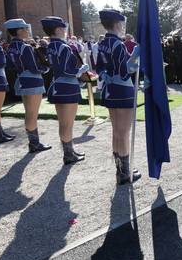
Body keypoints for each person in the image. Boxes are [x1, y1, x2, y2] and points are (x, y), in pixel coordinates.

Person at [96, 9, 142, 184]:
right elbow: (125, 72)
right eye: (122, 24)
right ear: (117, 24)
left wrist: (108, 74)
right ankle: (124, 172)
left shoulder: (102, 43)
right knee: (123, 132)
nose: (123, 27)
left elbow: (99, 67)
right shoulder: (118, 44)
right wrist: (136, 56)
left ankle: (120, 169)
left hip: (110, 90)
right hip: (122, 91)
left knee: (116, 131)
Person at [43, 16, 89, 165]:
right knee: (68, 124)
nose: (65, 31)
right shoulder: (64, 47)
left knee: (63, 123)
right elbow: (68, 71)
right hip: (68, 87)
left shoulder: (50, 46)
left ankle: (69, 151)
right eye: (63, 28)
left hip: (57, 85)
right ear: (57, 30)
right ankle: (68, 154)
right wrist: (80, 69)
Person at [4, 18, 52, 153]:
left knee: (29, 113)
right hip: (32, 81)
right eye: (25, 29)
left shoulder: (11, 46)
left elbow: (10, 65)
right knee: (32, 114)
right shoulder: (24, 47)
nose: (27, 31)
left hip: (22, 80)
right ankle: (34, 143)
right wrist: (46, 69)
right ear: (19, 31)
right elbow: (34, 67)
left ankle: (33, 142)